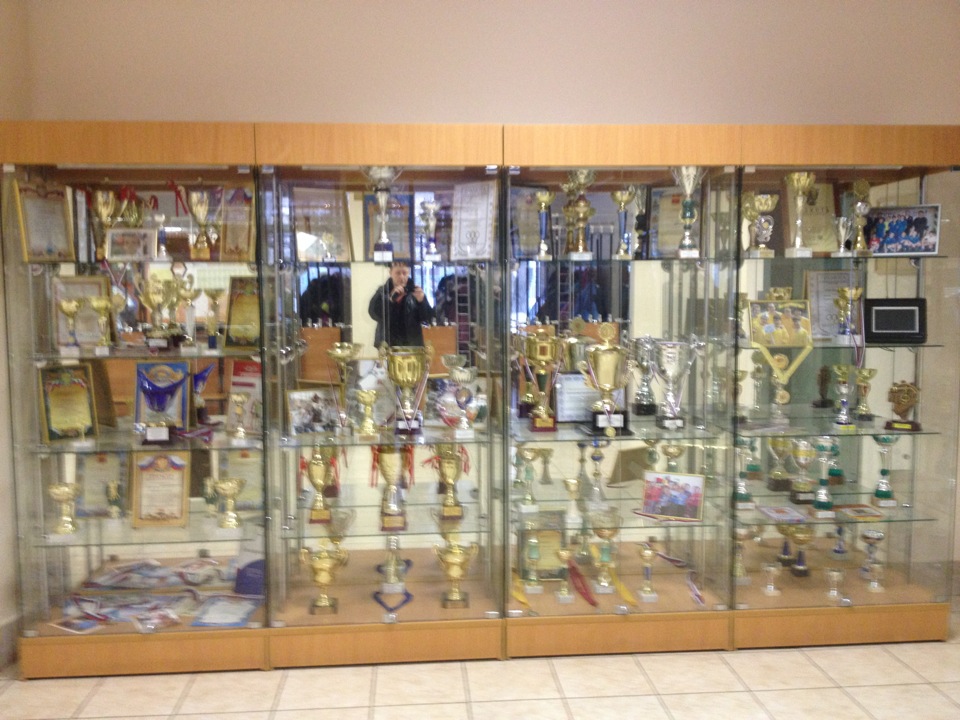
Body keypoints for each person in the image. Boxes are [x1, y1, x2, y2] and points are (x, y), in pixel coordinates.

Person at [368, 261, 435, 347]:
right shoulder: (383, 291)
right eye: (398, 273)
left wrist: (421, 302)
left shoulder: (416, 292)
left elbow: (427, 318)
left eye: (404, 273)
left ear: (408, 273)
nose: (401, 277)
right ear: (390, 273)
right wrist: (390, 300)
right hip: (388, 344)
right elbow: (374, 314)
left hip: (412, 344)